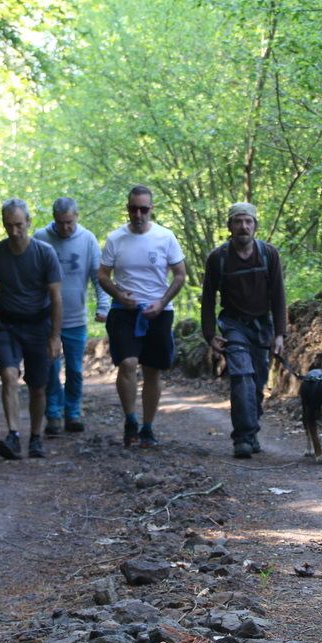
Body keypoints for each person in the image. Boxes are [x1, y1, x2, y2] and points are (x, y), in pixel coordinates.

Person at [98, 185, 187, 448]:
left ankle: (148, 427)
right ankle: (130, 421)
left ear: (151, 209)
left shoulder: (165, 237)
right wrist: (118, 294)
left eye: (143, 209)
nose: (138, 214)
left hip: (159, 312)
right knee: (127, 363)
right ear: (127, 208)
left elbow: (180, 275)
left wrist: (162, 302)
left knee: (152, 370)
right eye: (133, 208)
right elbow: (103, 275)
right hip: (123, 312)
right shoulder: (115, 238)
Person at [0, 198, 63, 460]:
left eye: (18, 225)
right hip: (7, 324)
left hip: (38, 326)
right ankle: (13, 436)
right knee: (8, 375)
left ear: (28, 222)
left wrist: (55, 336)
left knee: (38, 387)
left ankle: (35, 437)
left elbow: (56, 296)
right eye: (8, 225)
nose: (14, 231)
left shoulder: (45, 253)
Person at [200, 202, 288, 458]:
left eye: (248, 221)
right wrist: (209, 334)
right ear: (230, 226)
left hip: (262, 326)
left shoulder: (268, 254)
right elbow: (208, 298)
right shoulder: (218, 257)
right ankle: (242, 438)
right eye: (238, 221)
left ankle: (251, 430)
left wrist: (280, 333)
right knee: (241, 376)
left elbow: (278, 295)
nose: (243, 226)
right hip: (233, 325)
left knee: (257, 382)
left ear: (255, 225)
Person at [33, 197, 110, 435]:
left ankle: (73, 412)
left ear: (77, 216)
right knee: (51, 369)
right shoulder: (40, 237)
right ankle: (53, 415)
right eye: (60, 222)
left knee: (75, 370)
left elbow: (98, 276)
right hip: (47, 320)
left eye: (69, 222)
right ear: (53, 219)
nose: (65, 227)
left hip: (76, 318)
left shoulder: (87, 239)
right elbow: (32, 277)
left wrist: (103, 305)